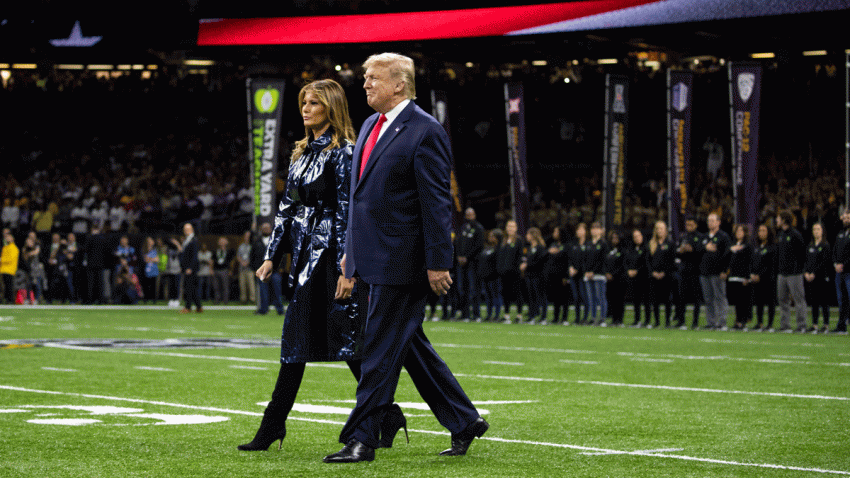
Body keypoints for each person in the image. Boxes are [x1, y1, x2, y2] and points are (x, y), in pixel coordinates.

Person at [325, 53, 487, 464]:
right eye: (364, 77)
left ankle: (361, 438)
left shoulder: (425, 130)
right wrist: (350, 254)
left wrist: (439, 261)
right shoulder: (369, 125)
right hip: (372, 256)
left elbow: (436, 203)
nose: (364, 84)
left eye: (372, 78)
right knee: (410, 347)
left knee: (377, 350)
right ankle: (464, 420)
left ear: (399, 84)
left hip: (404, 261)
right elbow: (361, 199)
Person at [238, 78, 407, 452]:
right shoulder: (300, 154)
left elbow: (350, 211)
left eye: (313, 103)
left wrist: (349, 267)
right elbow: (286, 208)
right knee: (318, 340)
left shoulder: (345, 152)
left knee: (336, 340)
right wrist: (270, 256)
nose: (306, 108)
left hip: (331, 255)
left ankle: (274, 425)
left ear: (330, 108)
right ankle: (386, 414)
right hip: (303, 257)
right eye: (303, 102)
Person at [775, 210, 807, 332]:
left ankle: (801, 325)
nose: (776, 221)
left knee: (798, 299)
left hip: (794, 273)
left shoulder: (795, 235)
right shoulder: (780, 235)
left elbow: (802, 254)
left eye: (778, 218)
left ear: (783, 220)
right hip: (782, 273)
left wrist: (799, 269)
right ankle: (785, 325)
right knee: (782, 300)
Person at [698, 213, 731, 330]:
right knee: (708, 299)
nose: (710, 223)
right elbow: (697, 250)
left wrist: (724, 270)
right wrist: (704, 248)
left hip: (717, 272)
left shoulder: (723, 237)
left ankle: (721, 322)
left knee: (719, 297)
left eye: (712, 220)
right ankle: (711, 322)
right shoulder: (704, 237)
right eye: (708, 220)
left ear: (718, 222)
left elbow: (727, 254)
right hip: (705, 272)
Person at [674, 216, 704, 329]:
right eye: (687, 225)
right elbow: (677, 253)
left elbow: (702, 252)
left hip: (695, 271)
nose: (688, 227)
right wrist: (680, 251)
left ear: (696, 225)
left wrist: (692, 250)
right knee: (682, 297)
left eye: (691, 225)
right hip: (683, 270)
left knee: (697, 297)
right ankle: (681, 321)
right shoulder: (683, 236)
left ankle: (695, 322)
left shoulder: (700, 237)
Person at [456, 207, 484, 321]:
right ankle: (465, 314)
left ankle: (476, 314)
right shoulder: (463, 228)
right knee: (463, 288)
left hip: (473, 263)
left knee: (474, 289)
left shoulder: (478, 228)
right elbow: (458, 243)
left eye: (471, 215)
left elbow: (479, 246)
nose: (469, 217)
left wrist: (467, 257)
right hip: (462, 264)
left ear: (474, 215)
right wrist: (459, 256)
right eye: (467, 215)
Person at [251, 222, 284, 315]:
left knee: (277, 291)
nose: (266, 229)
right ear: (261, 229)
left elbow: (282, 255)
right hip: (261, 271)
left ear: (271, 229)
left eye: (267, 228)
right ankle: (263, 310)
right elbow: (252, 256)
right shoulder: (256, 241)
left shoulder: (276, 240)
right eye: (264, 228)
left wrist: (281, 268)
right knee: (263, 292)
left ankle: (280, 310)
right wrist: (254, 268)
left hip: (275, 270)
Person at [804, 222, 831, 333]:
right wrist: (806, 272)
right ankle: (814, 324)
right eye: (814, 229)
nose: (816, 231)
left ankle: (825, 325)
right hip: (811, 278)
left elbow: (825, 262)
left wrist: (814, 273)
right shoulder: (810, 245)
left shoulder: (825, 245)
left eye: (818, 229)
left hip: (822, 277)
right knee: (814, 301)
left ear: (822, 231)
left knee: (824, 301)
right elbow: (806, 261)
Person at [647, 220, 675, 328]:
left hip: (666, 276)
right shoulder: (651, 244)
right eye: (657, 228)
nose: (659, 230)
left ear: (665, 230)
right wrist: (653, 272)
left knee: (667, 299)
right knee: (655, 299)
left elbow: (671, 261)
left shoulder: (670, 244)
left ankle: (667, 321)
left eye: (661, 228)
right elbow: (648, 261)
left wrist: (664, 272)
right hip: (653, 276)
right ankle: (657, 321)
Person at [496, 220, 525, 323]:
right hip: (504, 273)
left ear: (516, 228)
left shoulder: (519, 240)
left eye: (512, 226)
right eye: (508, 226)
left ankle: (519, 315)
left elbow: (520, 256)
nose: (510, 228)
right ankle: (507, 315)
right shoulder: (503, 241)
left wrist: (517, 268)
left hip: (515, 272)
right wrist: (499, 269)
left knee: (517, 293)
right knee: (505, 293)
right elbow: (499, 256)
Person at [750, 223, 777, 332]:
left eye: (764, 230)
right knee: (759, 301)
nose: (761, 233)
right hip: (756, 280)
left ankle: (770, 324)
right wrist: (752, 274)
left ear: (769, 233)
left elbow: (771, 264)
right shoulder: (756, 247)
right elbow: (752, 262)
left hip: (768, 279)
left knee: (770, 301)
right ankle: (759, 322)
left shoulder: (772, 247)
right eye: (760, 230)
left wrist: (760, 275)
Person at [171, 222, 202, 313]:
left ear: (191, 230)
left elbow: (194, 256)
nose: (185, 231)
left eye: (187, 229)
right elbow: (184, 255)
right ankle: (198, 306)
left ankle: (188, 307)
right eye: (185, 229)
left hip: (191, 268)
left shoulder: (193, 240)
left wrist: (190, 268)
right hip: (187, 268)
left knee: (189, 288)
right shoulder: (187, 240)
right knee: (192, 288)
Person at [727, 224, 753, 330]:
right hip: (733, 276)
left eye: (741, 231)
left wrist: (748, 277)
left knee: (743, 300)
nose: (738, 232)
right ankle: (738, 320)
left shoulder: (748, 245)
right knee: (736, 301)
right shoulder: (732, 244)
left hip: (743, 277)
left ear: (745, 233)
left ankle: (743, 320)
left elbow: (749, 261)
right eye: (737, 230)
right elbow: (727, 257)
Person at [521, 226, 548, 323]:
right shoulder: (528, 248)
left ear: (533, 235)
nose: (526, 236)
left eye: (528, 234)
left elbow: (539, 261)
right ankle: (532, 315)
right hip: (529, 275)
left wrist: (527, 264)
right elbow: (525, 259)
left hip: (538, 275)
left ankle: (543, 317)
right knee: (531, 296)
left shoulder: (540, 248)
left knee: (540, 296)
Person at [583, 222, 608, 326]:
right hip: (588, 275)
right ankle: (593, 318)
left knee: (600, 297)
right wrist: (587, 271)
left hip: (599, 275)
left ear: (601, 230)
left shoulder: (603, 244)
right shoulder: (588, 244)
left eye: (597, 228)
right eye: (593, 228)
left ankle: (602, 318)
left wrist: (593, 271)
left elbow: (602, 260)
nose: (594, 230)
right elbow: (584, 259)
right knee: (591, 298)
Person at [625, 228, 649, 327]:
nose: (637, 238)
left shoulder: (646, 248)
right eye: (635, 237)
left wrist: (637, 271)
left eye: (638, 236)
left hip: (644, 277)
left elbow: (646, 263)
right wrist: (629, 271)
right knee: (636, 300)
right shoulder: (631, 249)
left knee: (646, 300)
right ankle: (637, 320)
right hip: (633, 279)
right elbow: (626, 262)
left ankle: (647, 321)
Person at [544, 226, 569, 324]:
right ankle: (555, 317)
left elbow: (567, 261)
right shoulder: (552, 244)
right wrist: (549, 252)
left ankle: (564, 318)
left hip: (562, 275)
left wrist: (566, 276)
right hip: (552, 275)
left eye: (556, 231)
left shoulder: (566, 245)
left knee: (564, 297)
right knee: (555, 298)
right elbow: (545, 256)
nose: (554, 233)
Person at [832, 209, 850, 334]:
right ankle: (841, 325)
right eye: (844, 218)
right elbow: (835, 251)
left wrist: (844, 264)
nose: (845, 220)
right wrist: (835, 264)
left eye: (848, 218)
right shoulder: (840, 233)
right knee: (842, 300)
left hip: (848, 271)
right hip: (840, 272)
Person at [477, 229, 502, 322]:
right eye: (490, 236)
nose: (490, 237)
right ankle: (489, 314)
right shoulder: (486, 248)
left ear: (497, 238)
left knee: (496, 295)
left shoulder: (499, 248)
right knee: (488, 296)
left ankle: (497, 315)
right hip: (485, 276)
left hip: (494, 276)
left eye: (492, 236)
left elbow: (498, 263)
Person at [567, 223, 589, 324]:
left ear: (585, 231)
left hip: (583, 274)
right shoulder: (573, 244)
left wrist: (578, 270)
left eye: (581, 230)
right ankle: (577, 318)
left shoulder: (588, 244)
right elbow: (570, 258)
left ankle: (585, 318)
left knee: (584, 296)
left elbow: (586, 260)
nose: (579, 232)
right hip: (573, 274)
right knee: (576, 297)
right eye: (578, 230)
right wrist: (571, 268)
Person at [605, 230, 626, 327]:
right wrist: (607, 273)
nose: (614, 240)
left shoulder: (623, 250)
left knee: (619, 299)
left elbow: (623, 265)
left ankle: (619, 319)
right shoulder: (608, 249)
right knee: (611, 299)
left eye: (616, 238)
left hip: (620, 279)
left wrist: (613, 274)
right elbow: (605, 262)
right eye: (613, 238)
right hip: (609, 279)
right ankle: (613, 319)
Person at [212, 236, 234, 305]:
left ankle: (225, 301)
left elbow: (232, 261)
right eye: (220, 241)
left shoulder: (229, 251)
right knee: (216, 286)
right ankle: (217, 300)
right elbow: (211, 261)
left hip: (225, 270)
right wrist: (211, 269)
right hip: (216, 270)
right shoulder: (215, 251)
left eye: (223, 241)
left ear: (226, 242)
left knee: (225, 286)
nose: (221, 242)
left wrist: (231, 270)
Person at [237, 230, 256, 305]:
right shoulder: (241, 246)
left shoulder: (252, 246)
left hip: (250, 269)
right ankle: (243, 300)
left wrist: (248, 262)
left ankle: (252, 299)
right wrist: (242, 262)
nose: (247, 237)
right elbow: (238, 256)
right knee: (242, 285)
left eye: (248, 236)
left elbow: (254, 256)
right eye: (246, 236)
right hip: (242, 269)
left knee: (251, 285)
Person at [1, 229, 19, 304]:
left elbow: (10, 259)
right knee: (3, 288)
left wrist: (1, 260)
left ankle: (11, 301)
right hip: (2, 270)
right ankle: (4, 300)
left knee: (9, 287)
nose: (7, 238)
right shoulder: (5, 247)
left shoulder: (14, 248)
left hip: (10, 270)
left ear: (12, 238)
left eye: (9, 237)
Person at [141, 236, 159, 304]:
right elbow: (145, 259)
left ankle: (154, 299)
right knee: (146, 285)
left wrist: (150, 259)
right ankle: (146, 298)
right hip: (146, 270)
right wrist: (152, 259)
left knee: (153, 285)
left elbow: (157, 260)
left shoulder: (155, 250)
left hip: (154, 270)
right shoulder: (144, 249)